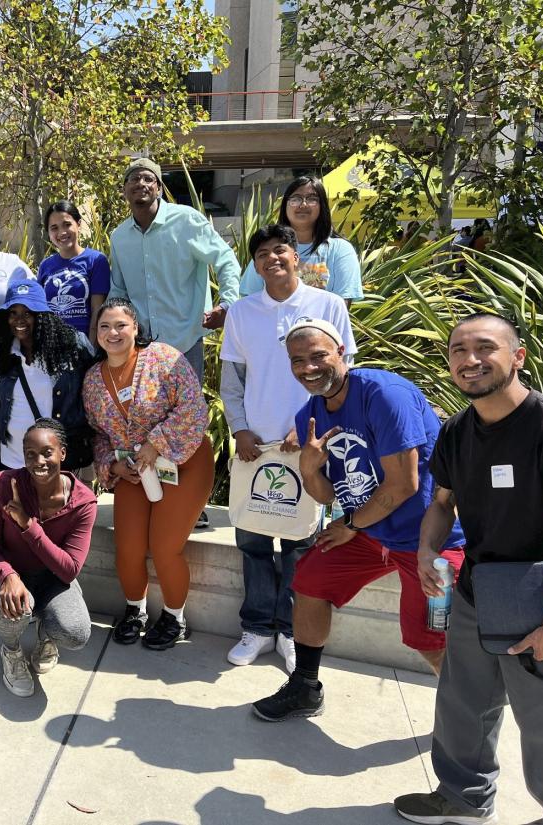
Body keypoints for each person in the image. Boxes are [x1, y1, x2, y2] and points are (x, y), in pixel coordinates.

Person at [251, 319, 465, 722]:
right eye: (298, 361)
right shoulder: (310, 416)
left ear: (341, 352)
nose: (308, 368)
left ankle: (465, 712)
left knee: (432, 637)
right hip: (367, 530)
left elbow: (404, 483)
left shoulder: (384, 394)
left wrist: (351, 523)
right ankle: (305, 687)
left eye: (318, 356)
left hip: (430, 539)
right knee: (310, 580)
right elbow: (328, 494)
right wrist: (310, 469)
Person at [394, 313, 543, 825]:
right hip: (475, 591)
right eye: (458, 350)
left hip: (540, 600)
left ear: (517, 356)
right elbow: (442, 501)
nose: (470, 359)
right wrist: (425, 550)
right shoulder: (458, 431)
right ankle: (463, 799)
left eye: (485, 347)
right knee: (463, 703)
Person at [221, 226, 356, 672]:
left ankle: (290, 630)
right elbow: (232, 381)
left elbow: (342, 373)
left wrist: (310, 425)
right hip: (256, 449)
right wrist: (239, 428)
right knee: (253, 540)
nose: (272, 259)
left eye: (280, 250)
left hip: (312, 446)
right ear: (254, 264)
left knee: (301, 543)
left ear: (296, 256)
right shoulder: (242, 312)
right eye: (262, 254)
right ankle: (258, 627)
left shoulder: (328, 305)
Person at [82, 298, 214, 650]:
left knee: (164, 546)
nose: (113, 333)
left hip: (184, 464)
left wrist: (156, 444)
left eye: (120, 325)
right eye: (105, 327)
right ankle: (135, 610)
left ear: (135, 327)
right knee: (127, 547)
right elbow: (97, 433)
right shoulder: (93, 380)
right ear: (96, 334)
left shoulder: (165, 358)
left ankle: (175, 617)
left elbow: (194, 409)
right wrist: (111, 464)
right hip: (135, 472)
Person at [0, 419, 96, 697]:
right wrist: (8, 575)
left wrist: (28, 527)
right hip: (6, 575)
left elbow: (69, 570)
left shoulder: (83, 503)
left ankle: (47, 638)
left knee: (76, 632)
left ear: (62, 454)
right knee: (15, 607)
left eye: (47, 452)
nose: (38, 461)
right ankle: (12, 651)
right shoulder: (2, 485)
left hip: (53, 579)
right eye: (30, 454)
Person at [107, 157, 239, 382]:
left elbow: (225, 259)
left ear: (158, 188)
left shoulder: (186, 220)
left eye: (149, 178)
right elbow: (119, 291)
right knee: (147, 414)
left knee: (188, 414)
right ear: (124, 190)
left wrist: (227, 303)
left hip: (185, 343)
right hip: (142, 346)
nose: (141, 183)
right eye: (134, 179)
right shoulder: (119, 237)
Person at [0, 280, 94, 472]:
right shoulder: (3, 353)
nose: (19, 320)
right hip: (13, 459)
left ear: (42, 315)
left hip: (57, 460)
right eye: (13, 313)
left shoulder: (72, 346)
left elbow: (95, 385)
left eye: (28, 313)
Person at [239, 176, 364, 305]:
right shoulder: (268, 250)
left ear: (322, 206)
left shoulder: (340, 249)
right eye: (295, 199)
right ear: (285, 205)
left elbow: (342, 305)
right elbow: (251, 301)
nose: (303, 204)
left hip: (322, 325)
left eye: (312, 199)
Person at [37, 200, 110, 341]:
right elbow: (41, 312)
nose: (62, 232)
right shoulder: (45, 265)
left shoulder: (96, 260)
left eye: (67, 224)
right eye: (54, 228)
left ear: (79, 224)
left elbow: (97, 311)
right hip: (52, 346)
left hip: (83, 345)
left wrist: (92, 350)